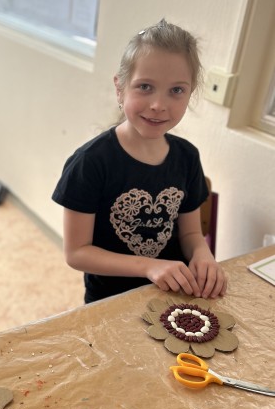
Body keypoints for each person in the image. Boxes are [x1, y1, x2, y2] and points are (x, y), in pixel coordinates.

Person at [52, 19, 227, 304]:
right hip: (111, 300)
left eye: (176, 90)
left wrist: (202, 254)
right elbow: (77, 253)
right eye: (145, 86)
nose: (158, 105)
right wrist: (149, 266)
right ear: (120, 88)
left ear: (190, 93)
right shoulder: (90, 163)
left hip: (175, 292)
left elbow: (192, 233)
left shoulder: (187, 157)